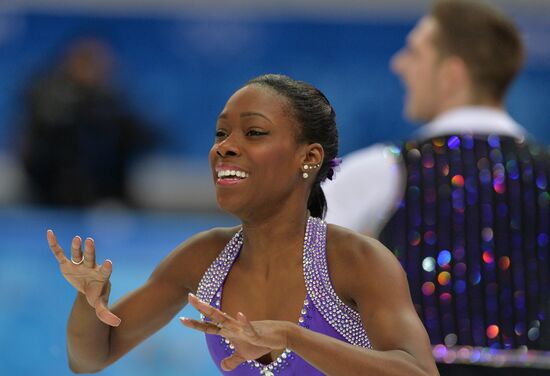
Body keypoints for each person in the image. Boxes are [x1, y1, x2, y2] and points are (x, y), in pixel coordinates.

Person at [47, 74, 438, 375]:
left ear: (310, 157)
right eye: (221, 133)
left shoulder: (356, 260)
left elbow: (418, 371)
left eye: (254, 132)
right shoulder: (202, 258)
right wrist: (88, 301)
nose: (225, 146)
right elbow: (91, 357)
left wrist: (292, 337)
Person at [324, 0, 550, 361]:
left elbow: (288, 272)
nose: (399, 64)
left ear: (452, 74)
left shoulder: (383, 172)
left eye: (415, 52)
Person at [20, 37, 155, 206]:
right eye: (95, 64)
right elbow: (53, 137)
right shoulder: (48, 93)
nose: (102, 71)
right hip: (53, 193)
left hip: (103, 193)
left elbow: (138, 137)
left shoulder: (109, 98)